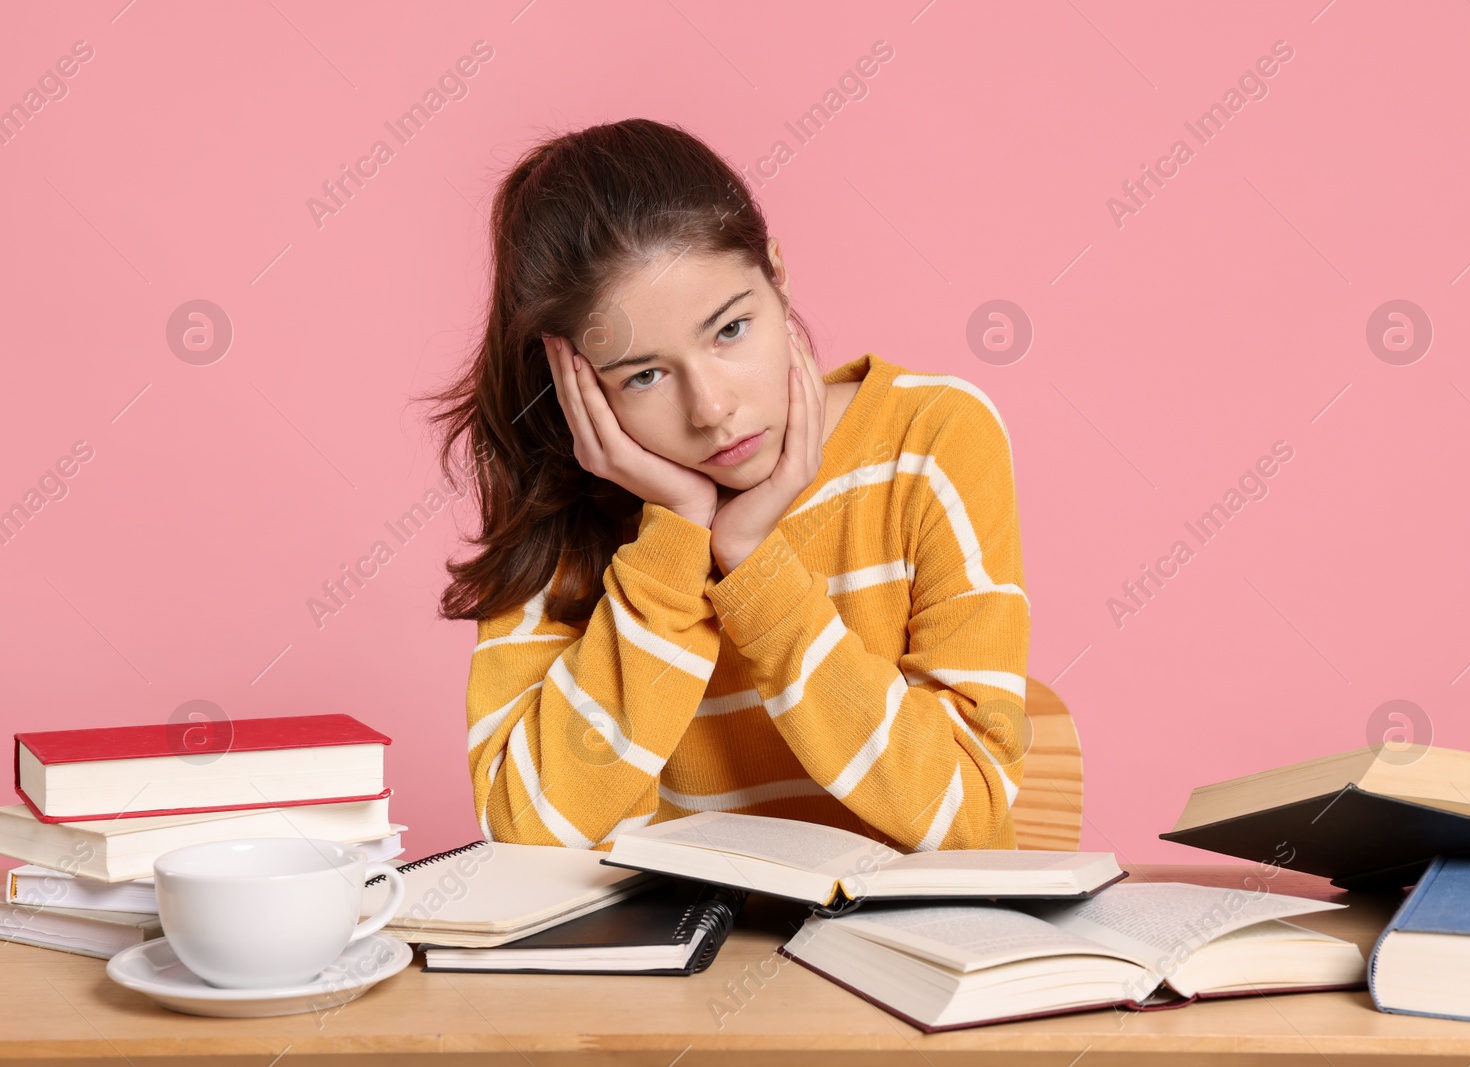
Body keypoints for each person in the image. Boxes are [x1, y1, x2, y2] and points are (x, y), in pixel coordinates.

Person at [424, 117, 1030, 853]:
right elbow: (528, 830)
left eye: (730, 330)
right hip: (682, 964)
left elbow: (963, 813)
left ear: (776, 274)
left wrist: (757, 569)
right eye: (644, 375)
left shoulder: (931, 436)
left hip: (894, 957)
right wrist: (677, 536)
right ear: (575, 384)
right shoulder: (567, 499)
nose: (710, 408)